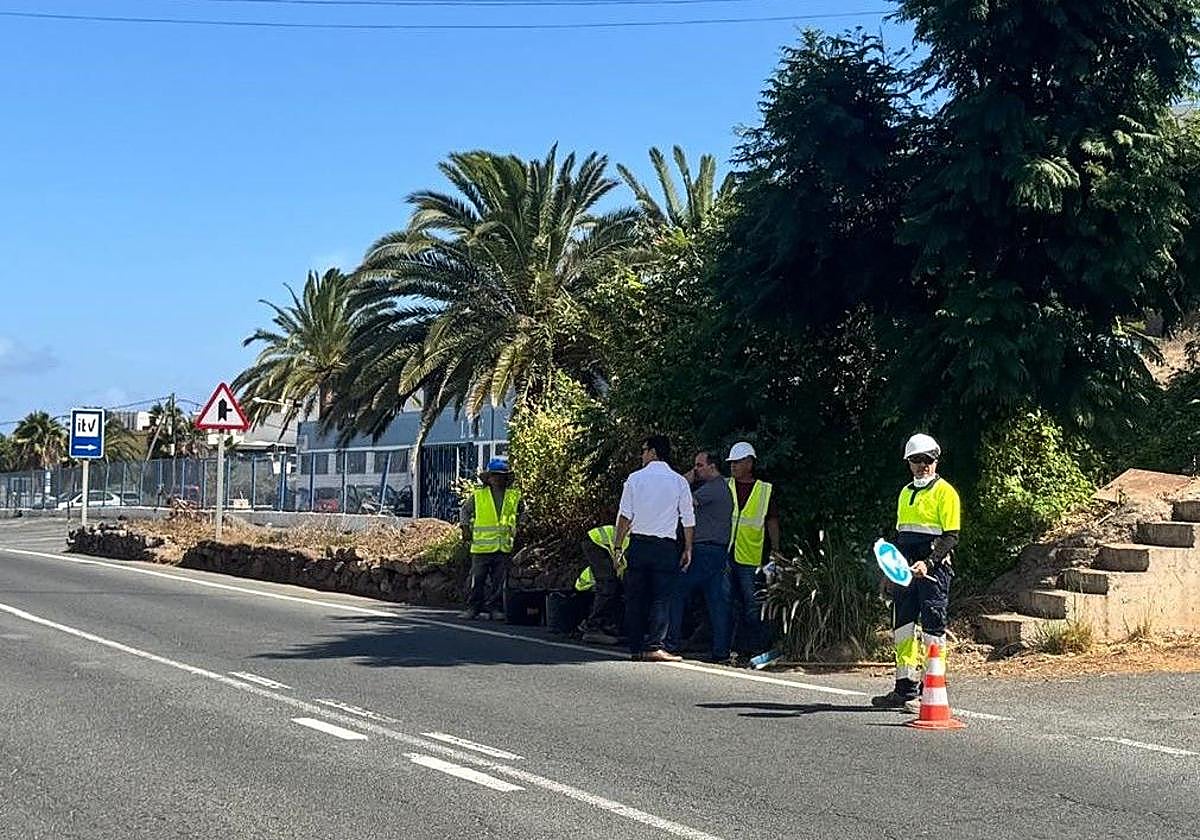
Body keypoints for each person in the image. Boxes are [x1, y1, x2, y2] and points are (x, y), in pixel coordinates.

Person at [872, 433, 961, 710]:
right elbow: (900, 538)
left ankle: (932, 690)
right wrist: (890, 570)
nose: (923, 465)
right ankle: (904, 687)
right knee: (903, 626)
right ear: (909, 463)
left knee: (933, 627)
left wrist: (930, 562)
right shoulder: (905, 493)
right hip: (906, 569)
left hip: (933, 569)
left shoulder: (945, 492)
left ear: (935, 460)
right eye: (916, 460)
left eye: (927, 460)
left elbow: (951, 536)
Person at [612, 434, 695, 662]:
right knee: (661, 598)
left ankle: (636, 647)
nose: (642, 454)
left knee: (635, 597)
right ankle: (654, 645)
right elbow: (687, 519)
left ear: (653, 452)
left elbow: (624, 516)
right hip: (665, 547)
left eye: (644, 450)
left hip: (638, 544)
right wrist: (688, 548)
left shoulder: (635, 479)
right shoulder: (679, 481)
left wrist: (618, 547)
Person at [666, 450, 733, 662]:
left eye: (699, 465)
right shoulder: (722, 488)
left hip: (704, 551)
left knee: (676, 591)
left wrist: (685, 478)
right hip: (718, 551)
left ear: (712, 466)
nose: (696, 469)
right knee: (716, 602)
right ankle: (720, 651)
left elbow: (684, 500)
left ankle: (671, 643)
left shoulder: (713, 489)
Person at [726, 441, 782, 659]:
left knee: (752, 604)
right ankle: (733, 647)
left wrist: (775, 549)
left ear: (749, 463)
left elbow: (772, 521)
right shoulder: (725, 485)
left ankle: (755, 646)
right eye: (731, 463)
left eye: (737, 462)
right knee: (729, 603)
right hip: (727, 552)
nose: (733, 466)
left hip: (750, 554)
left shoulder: (764, 490)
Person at [459, 457, 522, 621]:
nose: (498, 478)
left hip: (503, 546)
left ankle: (495, 608)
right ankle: (473, 607)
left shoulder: (513, 496)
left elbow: (524, 512)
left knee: (498, 581)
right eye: (494, 475)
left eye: (501, 475)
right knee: (477, 579)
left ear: (506, 478)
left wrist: (520, 526)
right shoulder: (479, 495)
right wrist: (465, 528)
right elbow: (465, 511)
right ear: (489, 478)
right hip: (481, 547)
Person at [576, 518, 629, 644]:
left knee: (612, 586)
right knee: (607, 585)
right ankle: (593, 627)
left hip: (600, 544)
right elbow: (623, 570)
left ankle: (606, 624)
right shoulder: (634, 551)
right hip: (596, 542)